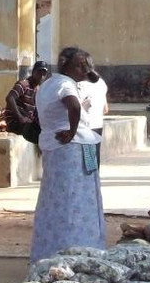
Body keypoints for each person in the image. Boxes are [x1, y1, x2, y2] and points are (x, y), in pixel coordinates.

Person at [29, 46, 105, 262]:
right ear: (65, 64)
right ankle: (80, 251)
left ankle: (50, 251)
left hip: (62, 148)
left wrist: (89, 71)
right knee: (77, 201)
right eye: (80, 65)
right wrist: (71, 132)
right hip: (74, 148)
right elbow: (73, 106)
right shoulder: (65, 84)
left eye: (87, 65)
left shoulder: (48, 84)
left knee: (55, 200)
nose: (85, 69)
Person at [5, 60, 49, 144]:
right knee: (37, 135)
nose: (41, 75)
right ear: (33, 72)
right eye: (39, 72)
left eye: (44, 73)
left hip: (27, 122)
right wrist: (20, 117)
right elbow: (10, 98)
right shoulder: (23, 84)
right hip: (15, 122)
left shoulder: (38, 90)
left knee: (48, 132)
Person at [79, 57, 109, 158]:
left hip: (85, 127)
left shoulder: (81, 84)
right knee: (94, 159)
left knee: (86, 160)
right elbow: (105, 109)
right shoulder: (101, 83)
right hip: (98, 124)